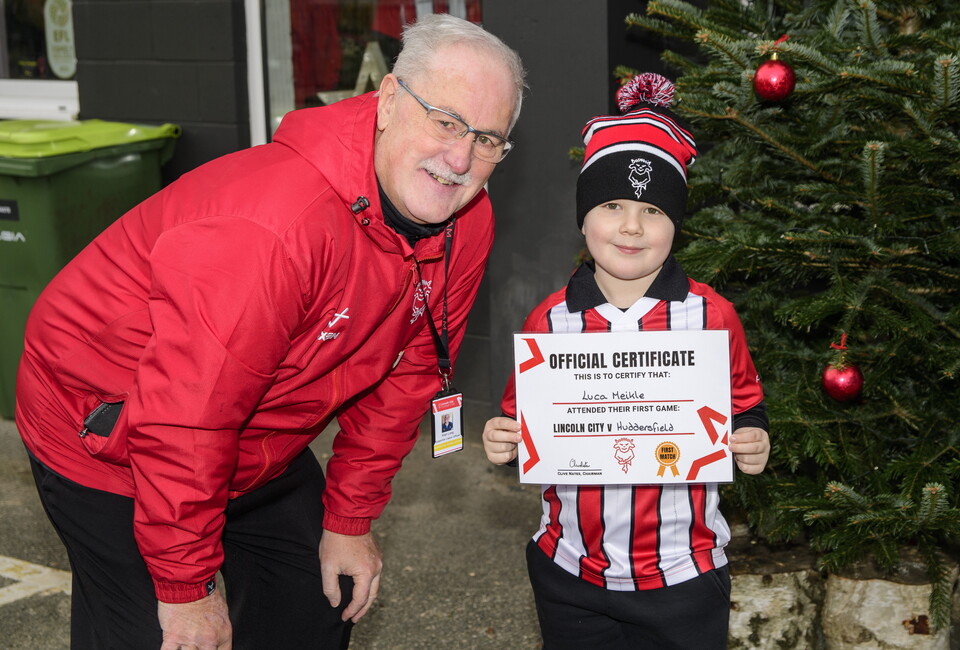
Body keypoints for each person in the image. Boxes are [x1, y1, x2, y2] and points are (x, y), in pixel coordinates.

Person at [16, 13, 524, 650]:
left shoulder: (464, 221)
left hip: (254, 420)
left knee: (316, 601)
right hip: (109, 426)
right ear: (390, 100)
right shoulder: (275, 227)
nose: (460, 158)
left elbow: (413, 373)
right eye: (446, 121)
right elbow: (187, 418)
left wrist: (349, 518)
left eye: (487, 138)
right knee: (160, 637)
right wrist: (185, 590)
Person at [482, 73, 770, 650]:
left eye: (653, 210)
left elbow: (746, 404)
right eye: (612, 205)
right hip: (569, 569)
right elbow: (523, 418)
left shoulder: (712, 316)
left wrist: (753, 438)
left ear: (676, 224)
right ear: (584, 217)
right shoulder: (550, 321)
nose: (632, 226)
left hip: (683, 573)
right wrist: (502, 437)